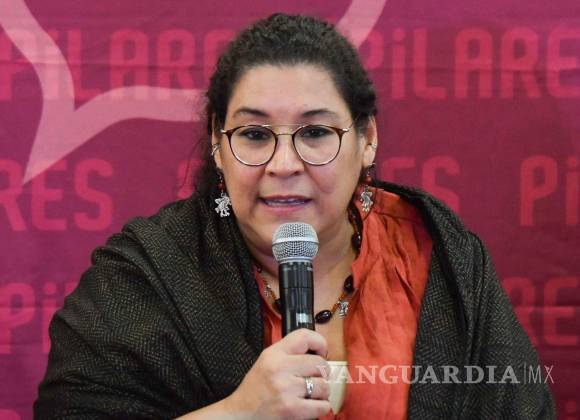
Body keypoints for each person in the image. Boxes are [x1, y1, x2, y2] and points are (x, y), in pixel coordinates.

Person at [34, 13, 556, 420]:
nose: (284, 165)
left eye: (315, 132)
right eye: (254, 135)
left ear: (367, 139)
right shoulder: (149, 274)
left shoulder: (436, 257)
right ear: (218, 143)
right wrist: (239, 413)